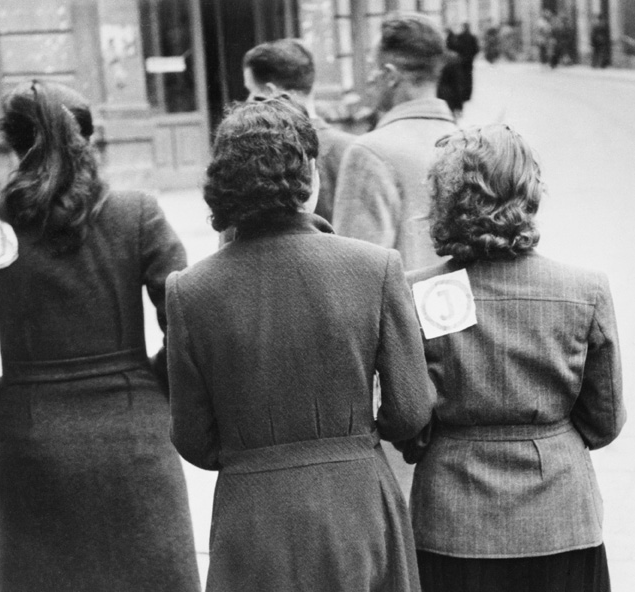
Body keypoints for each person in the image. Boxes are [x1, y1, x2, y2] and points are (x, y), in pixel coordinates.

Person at [0, 80, 200, 592]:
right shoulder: (136, 213)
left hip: (31, 443)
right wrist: (153, 383)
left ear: (10, 145)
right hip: (134, 437)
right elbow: (190, 322)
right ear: (89, 140)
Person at [166, 96, 434, 592]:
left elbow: (193, 440)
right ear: (309, 175)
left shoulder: (190, 291)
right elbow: (412, 411)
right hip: (357, 504)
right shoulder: (375, 268)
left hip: (252, 516)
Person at [405, 124, 625, 592]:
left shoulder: (418, 290)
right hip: (561, 516)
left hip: (453, 518)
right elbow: (603, 421)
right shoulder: (584, 291)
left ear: (447, 200)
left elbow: (411, 421)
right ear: (529, 194)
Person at [333, 12, 457, 271]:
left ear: (390, 75)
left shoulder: (369, 154)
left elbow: (355, 274)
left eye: (371, 67)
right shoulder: (471, 145)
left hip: (402, 309)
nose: (368, 78)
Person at [241, 38, 354, 223]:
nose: (248, 100)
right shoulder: (353, 148)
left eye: (252, 92)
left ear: (271, 93)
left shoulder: (259, 152)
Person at [449, 23, 479, 105]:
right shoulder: (472, 37)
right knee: (469, 78)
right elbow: (476, 49)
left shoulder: (460, 37)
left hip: (461, 61)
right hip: (469, 61)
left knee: (461, 78)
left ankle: (462, 94)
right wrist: (472, 56)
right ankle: (468, 95)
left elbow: (455, 47)